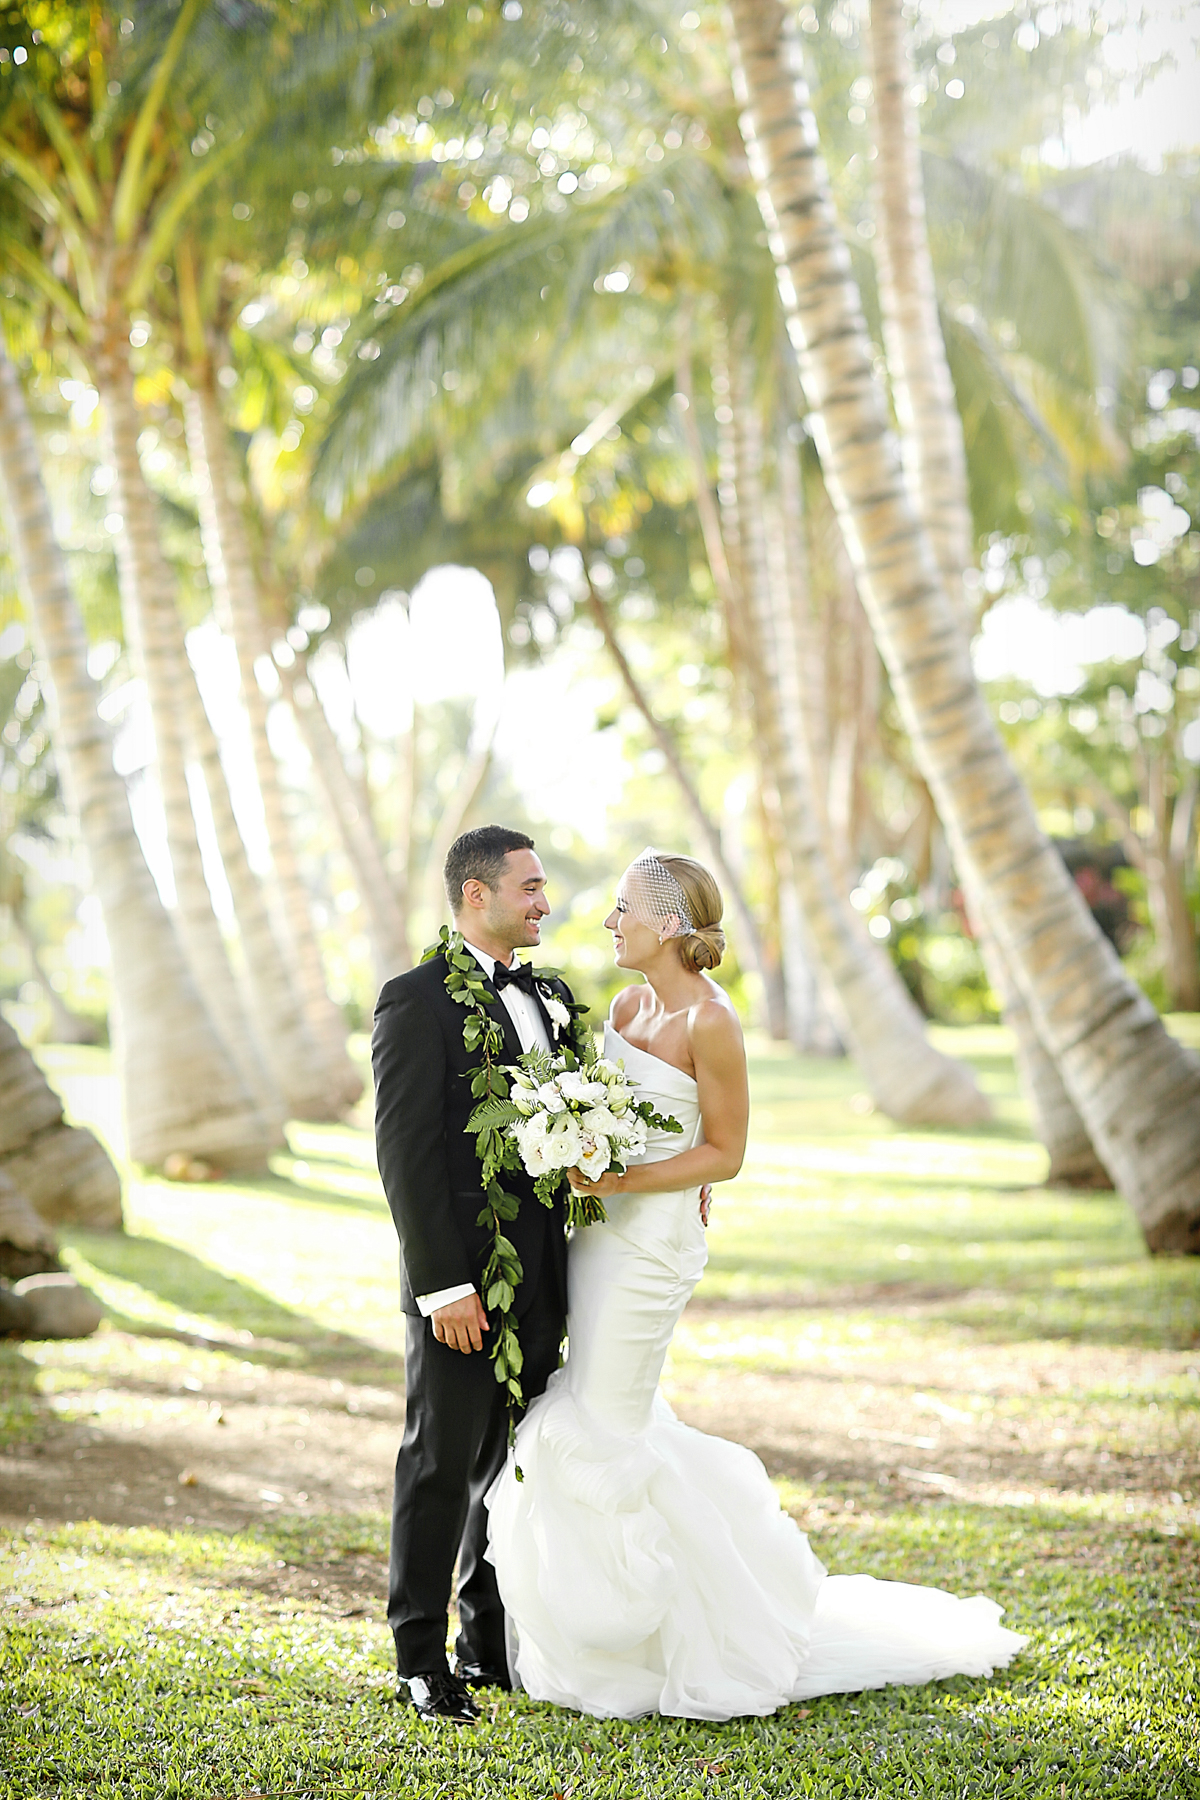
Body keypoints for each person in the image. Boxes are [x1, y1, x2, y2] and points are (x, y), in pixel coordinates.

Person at [485, 848, 1027, 1721]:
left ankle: (662, 1643)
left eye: (622, 908)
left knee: (605, 1423)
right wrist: (583, 1148)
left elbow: (725, 1154)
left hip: (653, 1245)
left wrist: (623, 1178)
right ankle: (627, 1633)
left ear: (666, 924)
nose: (609, 921)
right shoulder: (625, 1005)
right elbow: (617, 1113)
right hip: (600, 1236)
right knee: (598, 1408)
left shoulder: (712, 1021)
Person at [372, 825, 577, 1723]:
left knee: (514, 1461)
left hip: (547, 1273)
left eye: (544, 887)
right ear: (475, 896)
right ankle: (420, 1658)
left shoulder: (555, 996)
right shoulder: (415, 1001)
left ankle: (486, 1643)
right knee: (440, 1460)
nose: (544, 902)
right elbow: (406, 1155)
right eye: (528, 887)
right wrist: (443, 1285)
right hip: (460, 1282)